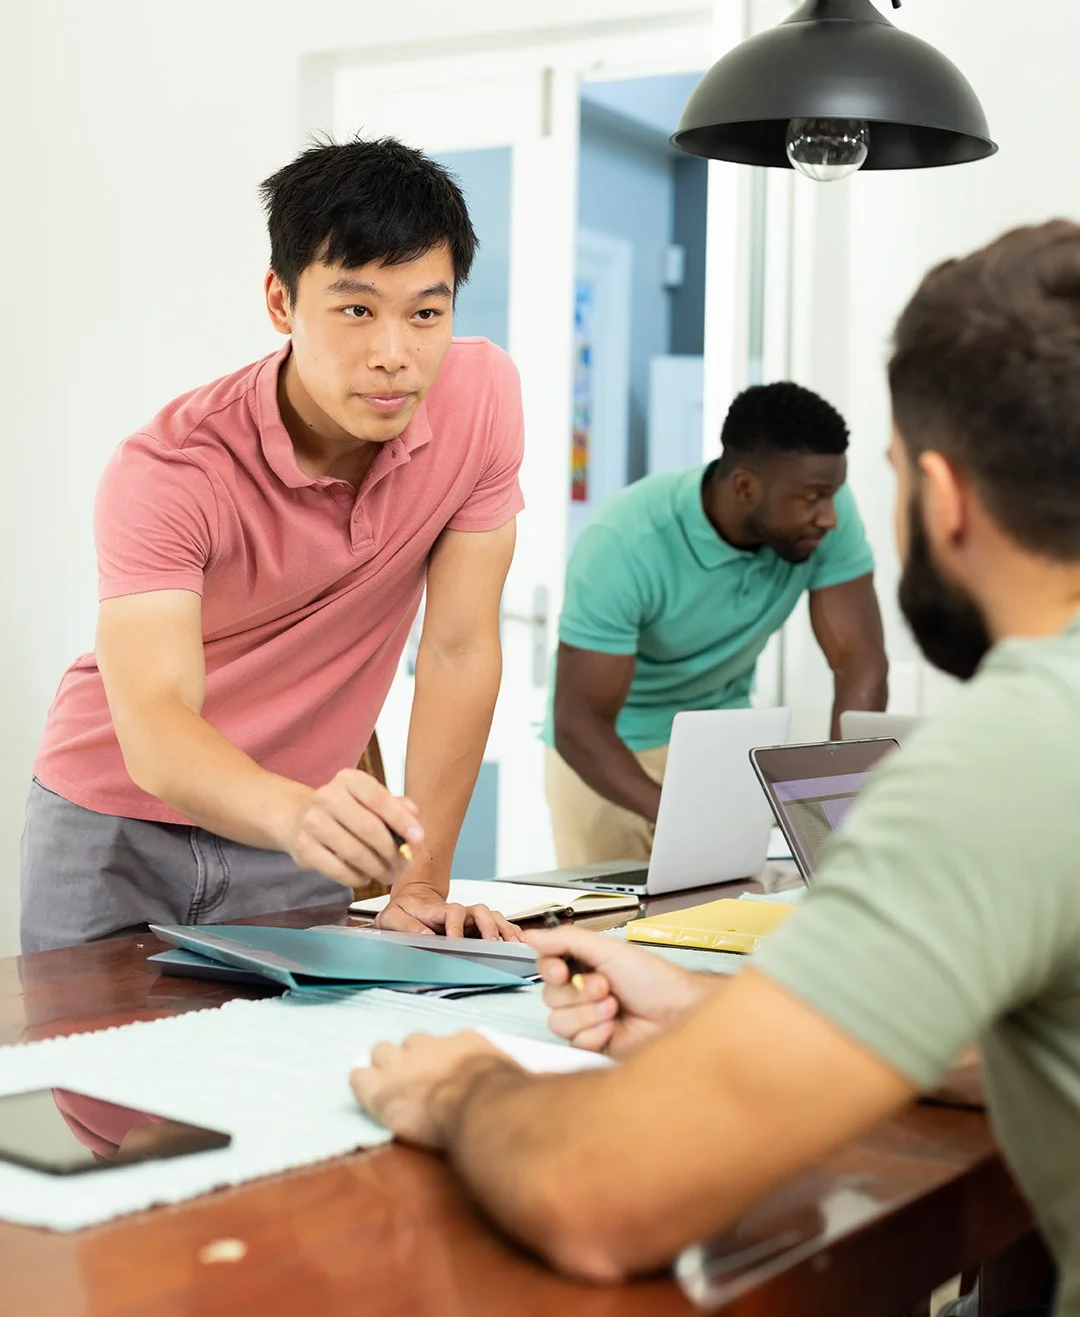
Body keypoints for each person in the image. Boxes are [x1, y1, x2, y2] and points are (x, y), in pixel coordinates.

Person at [352, 220, 1080, 1313]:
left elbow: (602, 1193)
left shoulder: (1014, 762)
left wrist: (463, 1087)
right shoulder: (632, 544)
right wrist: (710, 1010)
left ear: (944, 495)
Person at [20, 136, 525, 953]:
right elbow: (152, 719)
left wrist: (421, 881)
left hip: (298, 828)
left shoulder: (485, 398)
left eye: (425, 312)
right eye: (356, 309)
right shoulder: (172, 468)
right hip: (116, 820)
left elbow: (460, 650)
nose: (394, 355)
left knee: (285, 1072)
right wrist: (297, 815)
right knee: (98, 1074)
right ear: (282, 303)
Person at [542, 381, 888, 868]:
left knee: (727, 919)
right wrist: (684, 816)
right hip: (612, 751)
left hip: (722, 737)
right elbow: (578, 723)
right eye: (812, 498)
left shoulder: (825, 516)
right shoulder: (625, 541)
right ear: (746, 487)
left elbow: (861, 664)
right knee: (614, 928)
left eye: (832, 494)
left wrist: (838, 807)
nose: (829, 516)